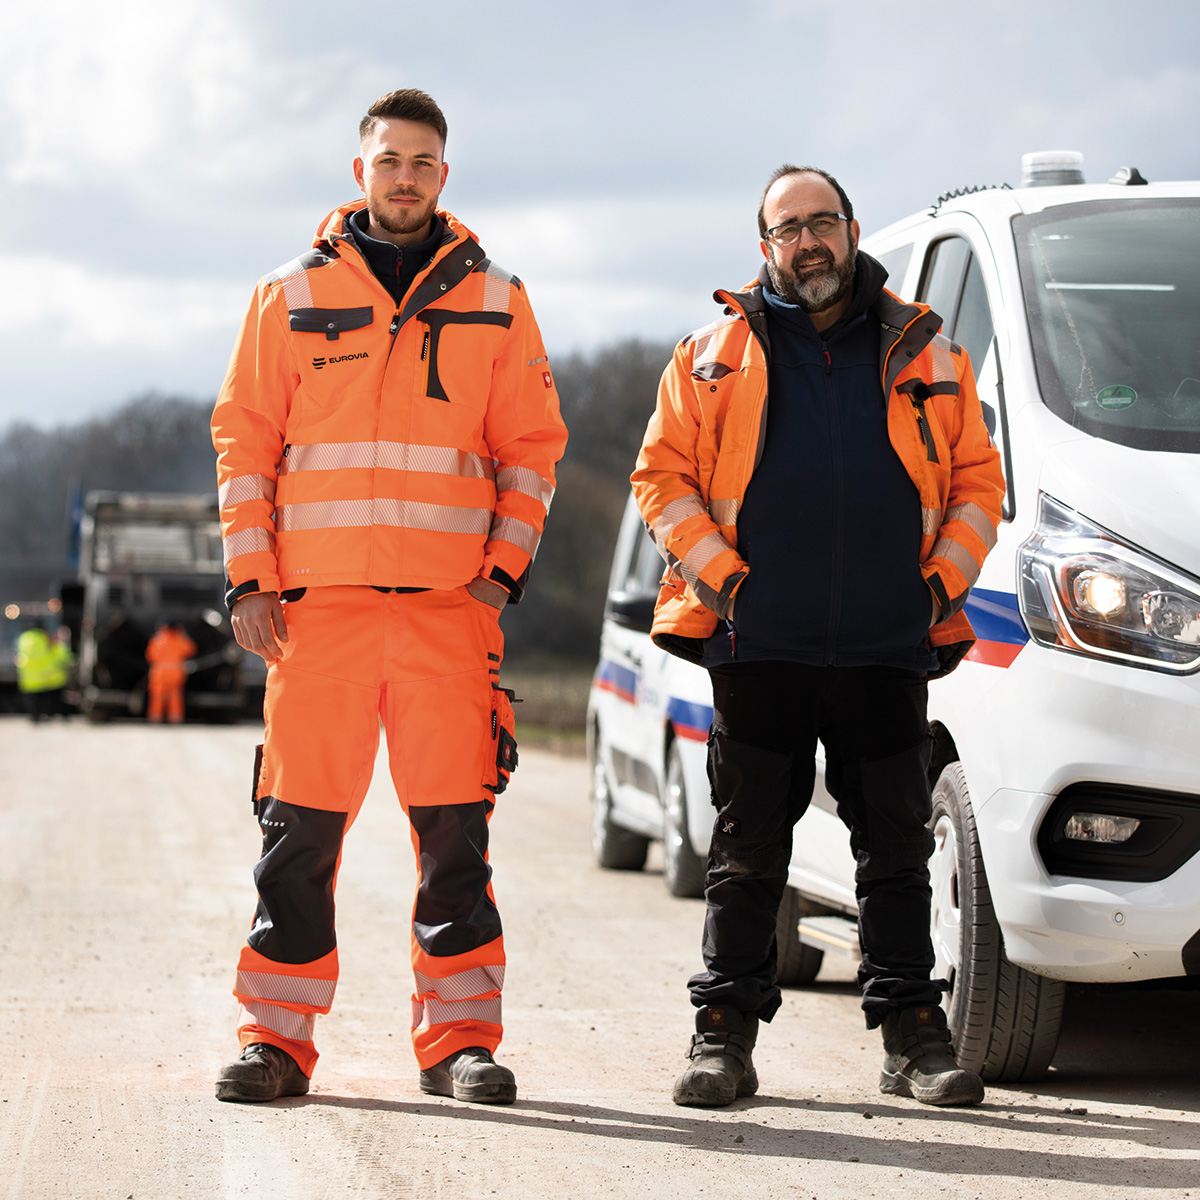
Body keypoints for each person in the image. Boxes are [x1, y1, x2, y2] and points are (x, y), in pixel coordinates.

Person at [211, 88, 566, 1106]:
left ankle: (459, 1044)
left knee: (455, 838)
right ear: (359, 170)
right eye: (388, 160)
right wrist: (250, 576)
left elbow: (532, 451)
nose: (404, 176)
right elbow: (245, 444)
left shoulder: (498, 299)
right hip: (316, 618)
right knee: (298, 836)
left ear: (442, 176)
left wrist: (498, 576)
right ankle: (274, 1042)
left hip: (447, 617)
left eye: (423, 162)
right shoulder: (288, 293)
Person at [631, 165, 1005, 1109]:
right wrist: (727, 579)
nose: (808, 242)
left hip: (889, 642)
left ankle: (915, 1038)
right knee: (748, 848)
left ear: (852, 230)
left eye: (823, 223)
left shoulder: (928, 352)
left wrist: (936, 588)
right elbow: (661, 478)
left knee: (896, 851)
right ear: (765, 248)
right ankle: (723, 1034)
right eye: (788, 228)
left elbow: (977, 485)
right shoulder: (710, 354)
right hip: (760, 642)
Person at [15, 621, 72, 722]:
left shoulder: (23, 638)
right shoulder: (44, 638)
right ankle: (51, 714)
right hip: (46, 675)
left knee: (32, 699)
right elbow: (57, 654)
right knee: (49, 698)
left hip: (28, 676)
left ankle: (35, 716)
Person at [145, 619, 196, 724]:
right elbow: (191, 650)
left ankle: (155, 718)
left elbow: (150, 655)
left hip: (159, 672)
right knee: (175, 696)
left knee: (158, 697)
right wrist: (183, 634)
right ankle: (175, 719)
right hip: (176, 672)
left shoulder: (157, 639)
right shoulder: (180, 639)